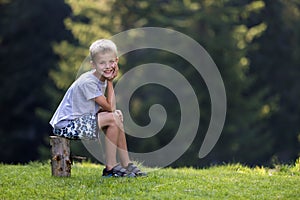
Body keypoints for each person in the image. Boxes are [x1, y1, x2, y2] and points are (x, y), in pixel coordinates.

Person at [49, 39, 146, 177]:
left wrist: (112, 112)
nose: (107, 66)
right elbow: (109, 107)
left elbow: (97, 108)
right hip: (66, 126)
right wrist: (111, 82)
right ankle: (110, 168)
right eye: (102, 63)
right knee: (113, 117)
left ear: (116, 61)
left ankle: (126, 163)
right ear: (93, 64)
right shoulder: (89, 82)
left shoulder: (101, 78)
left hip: (80, 120)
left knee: (116, 116)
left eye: (111, 62)